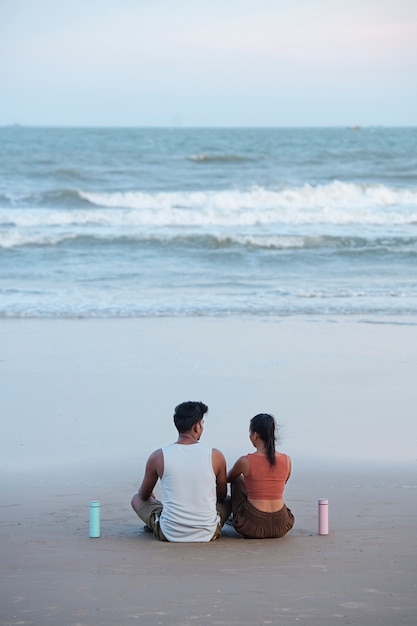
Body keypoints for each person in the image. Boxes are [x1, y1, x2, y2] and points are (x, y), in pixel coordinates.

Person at [131, 401, 231, 542]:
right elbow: (221, 495)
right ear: (197, 426)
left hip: (170, 533)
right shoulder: (215, 456)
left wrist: (150, 497)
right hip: (207, 532)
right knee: (228, 500)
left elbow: (143, 495)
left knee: (136, 498)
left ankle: (157, 521)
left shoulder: (158, 456)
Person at [227, 413, 294, 539]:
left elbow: (228, 478)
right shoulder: (287, 460)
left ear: (255, 434)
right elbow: (281, 483)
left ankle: (235, 517)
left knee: (236, 479)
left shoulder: (245, 461)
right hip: (281, 525)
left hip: (252, 526)